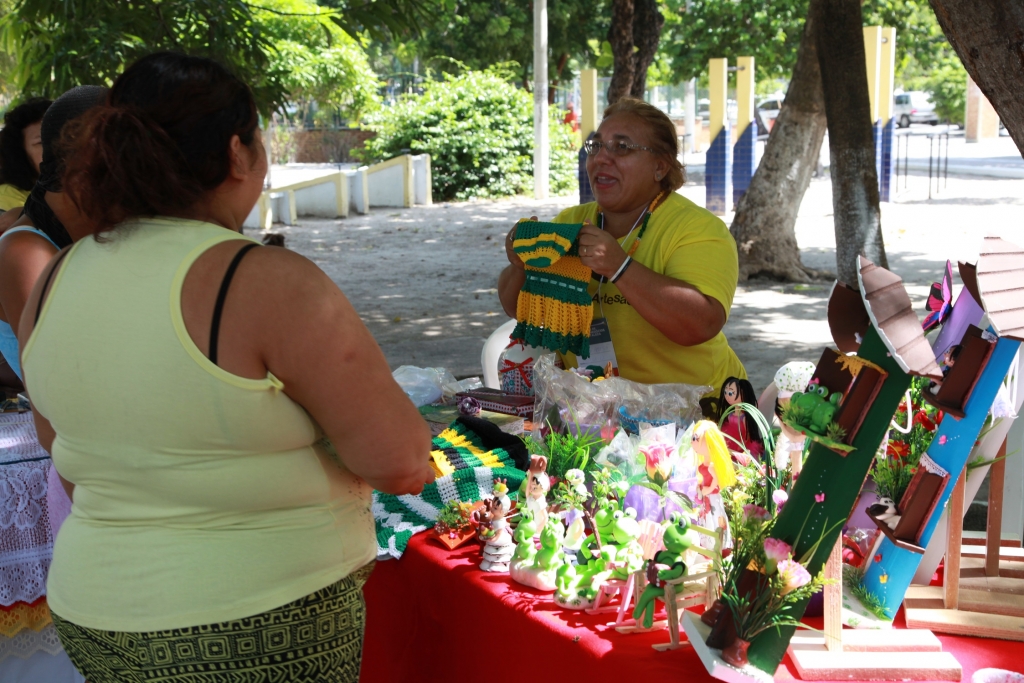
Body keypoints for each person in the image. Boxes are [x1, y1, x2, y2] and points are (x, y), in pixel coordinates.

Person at [18, 52, 433, 683]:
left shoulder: (56, 277)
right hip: (257, 621)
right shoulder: (261, 280)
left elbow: (70, 457)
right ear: (238, 153)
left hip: (94, 613)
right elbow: (400, 461)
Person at [498, 97, 746, 398]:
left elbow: (700, 325)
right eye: (596, 146)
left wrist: (620, 267)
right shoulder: (570, 222)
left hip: (697, 414)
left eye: (622, 147)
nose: (602, 158)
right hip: (594, 411)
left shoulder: (697, 229)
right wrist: (521, 264)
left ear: (660, 166)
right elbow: (518, 308)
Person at [0, 97, 51, 227]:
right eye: (41, 142)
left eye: (65, 136)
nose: (58, 146)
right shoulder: (7, 197)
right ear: (19, 153)